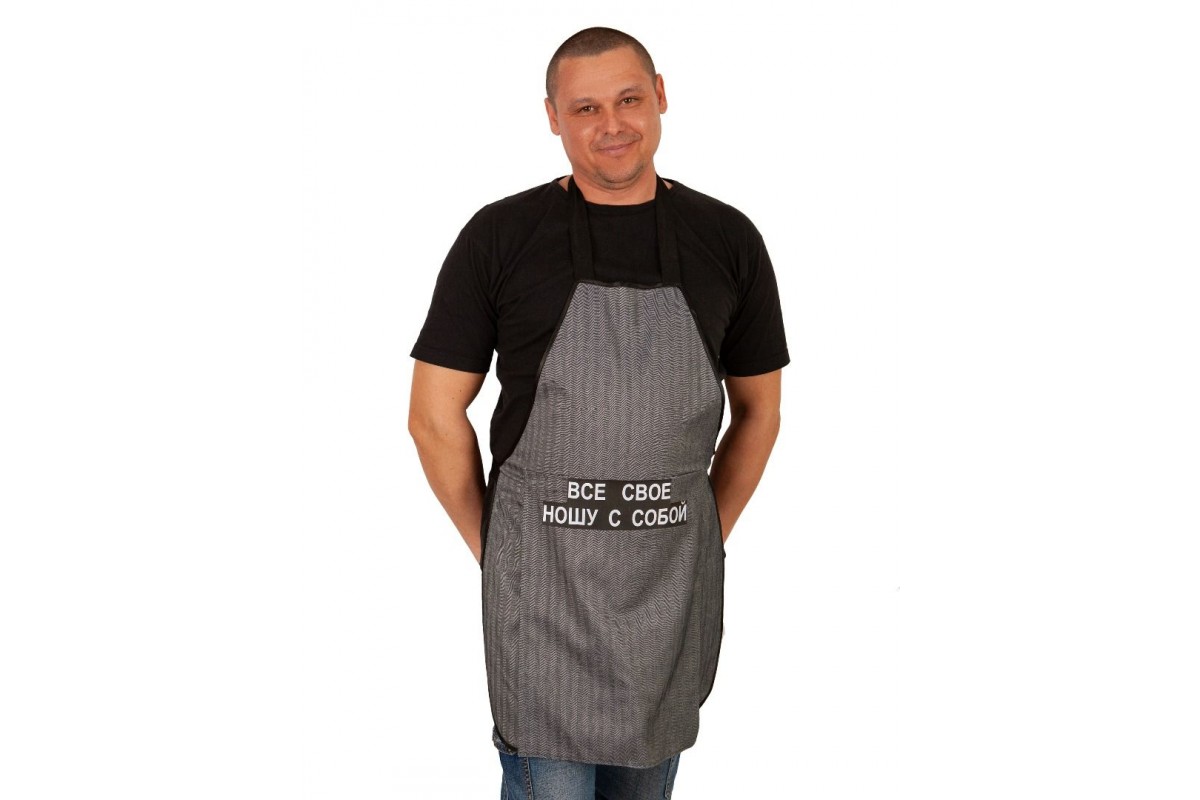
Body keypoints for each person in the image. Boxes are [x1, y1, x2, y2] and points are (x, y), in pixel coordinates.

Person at [408, 27, 789, 799]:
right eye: (585, 108)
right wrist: (500, 549)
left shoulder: (728, 239)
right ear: (553, 116)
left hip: (664, 601)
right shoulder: (500, 237)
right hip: (541, 602)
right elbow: (433, 414)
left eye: (628, 100)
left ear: (660, 96)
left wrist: (699, 536)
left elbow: (760, 412)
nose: (611, 125)